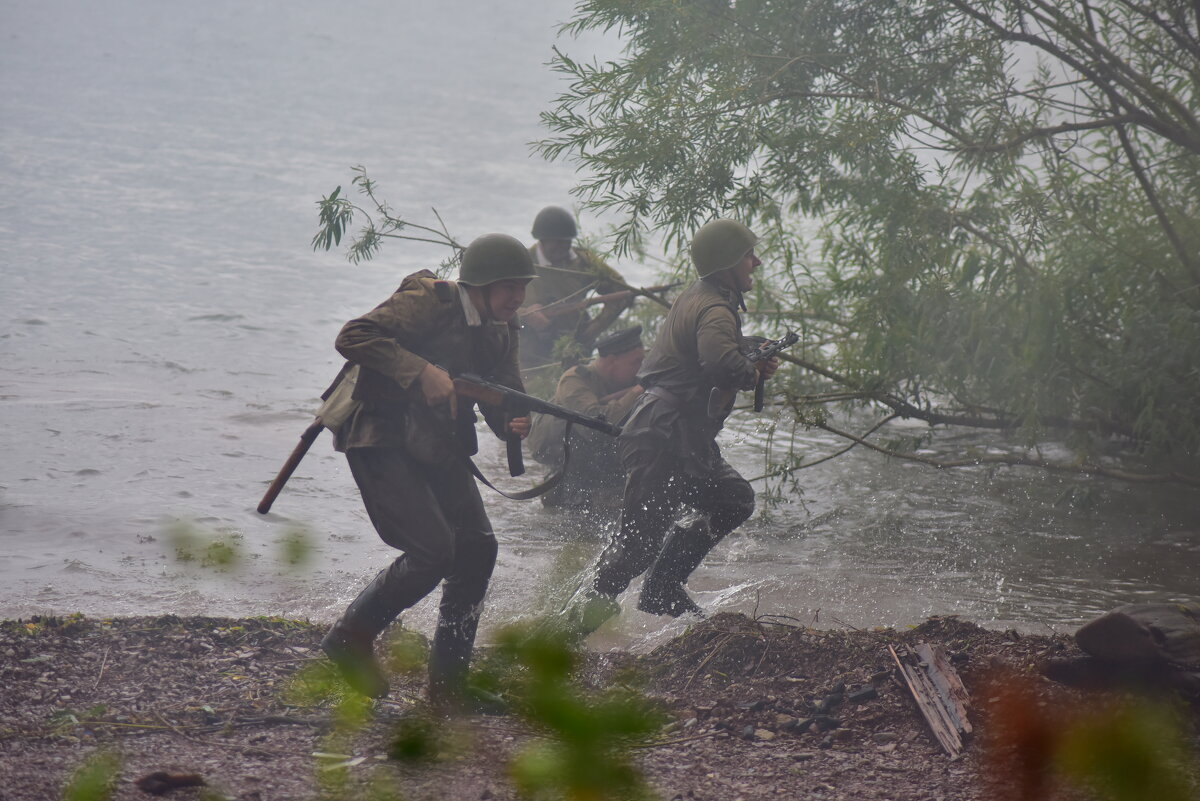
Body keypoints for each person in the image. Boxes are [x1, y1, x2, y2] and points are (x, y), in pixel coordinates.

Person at [320, 233, 535, 710]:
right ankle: (348, 638)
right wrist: (419, 370)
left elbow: (506, 393)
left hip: (438, 441)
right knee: (434, 551)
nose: (517, 298)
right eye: (508, 287)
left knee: (478, 547)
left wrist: (513, 421)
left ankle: (448, 688)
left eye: (522, 287)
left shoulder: (502, 327)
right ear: (479, 285)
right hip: (380, 436)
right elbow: (352, 336)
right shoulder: (428, 301)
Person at [568, 218, 779, 632]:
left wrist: (750, 349)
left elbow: (706, 351)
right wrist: (751, 372)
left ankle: (663, 585)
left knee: (733, 499)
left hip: (676, 435)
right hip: (663, 437)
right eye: (748, 256)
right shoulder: (716, 307)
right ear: (726, 265)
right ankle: (567, 633)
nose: (756, 262)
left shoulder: (704, 297)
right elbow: (718, 362)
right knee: (636, 549)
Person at [526, 326, 646, 513]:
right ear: (612, 361)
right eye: (635, 362)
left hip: (603, 466)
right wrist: (636, 393)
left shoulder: (630, 380)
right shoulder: (574, 380)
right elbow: (595, 427)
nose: (641, 368)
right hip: (569, 466)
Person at [519, 205, 633, 374]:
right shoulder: (522, 263)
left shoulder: (583, 261)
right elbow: (498, 308)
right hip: (531, 355)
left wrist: (593, 329)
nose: (563, 247)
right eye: (556, 242)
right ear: (542, 240)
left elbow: (620, 292)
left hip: (575, 349)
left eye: (567, 241)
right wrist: (526, 314)